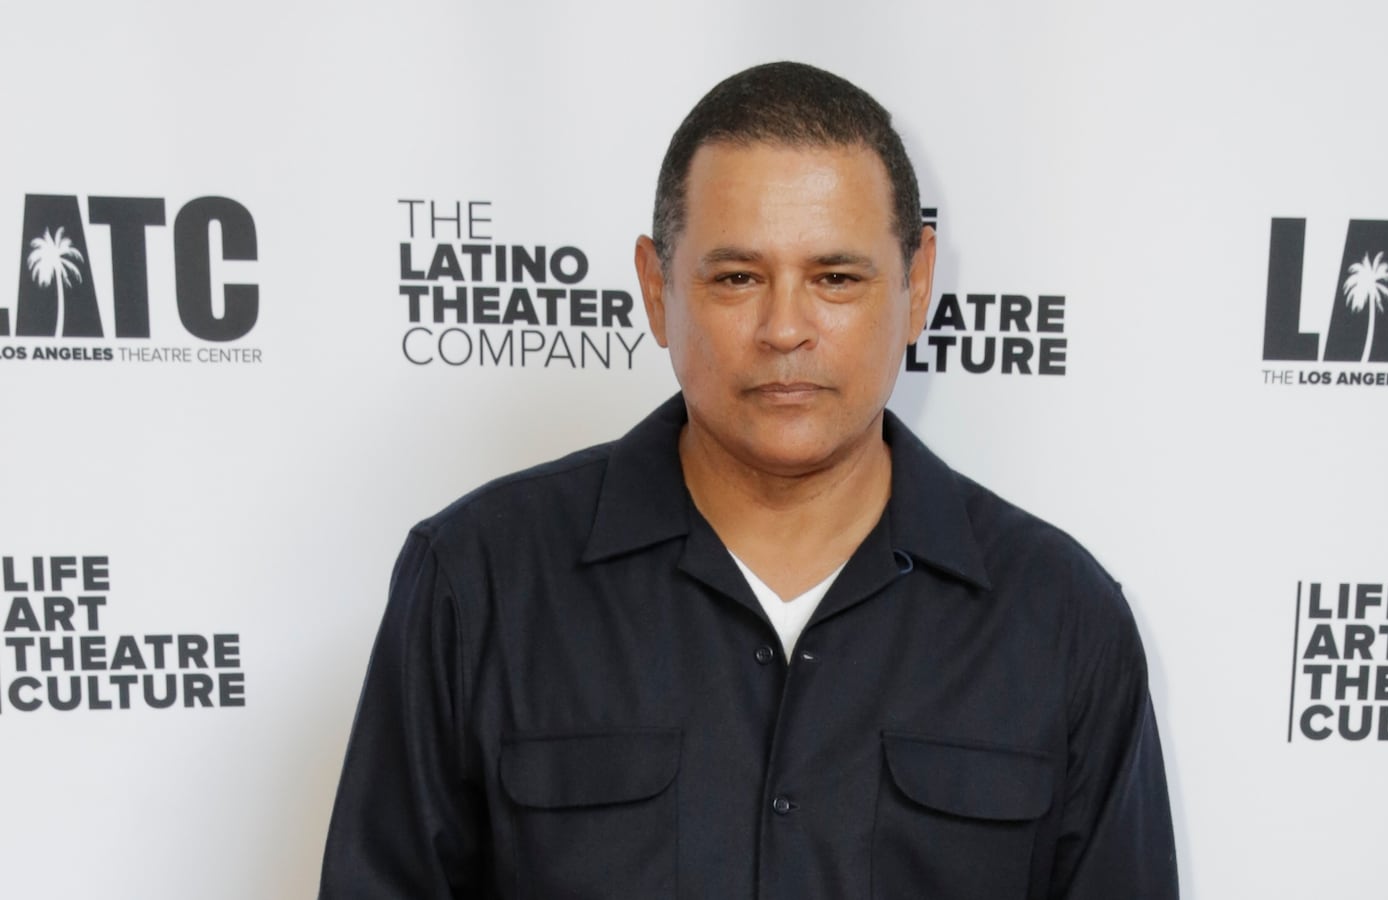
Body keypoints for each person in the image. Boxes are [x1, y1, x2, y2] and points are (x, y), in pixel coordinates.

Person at [320, 61, 1178, 899]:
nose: (785, 329)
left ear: (917, 286)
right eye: (737, 278)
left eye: (835, 278)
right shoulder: (478, 585)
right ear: (657, 290)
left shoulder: (1062, 618)